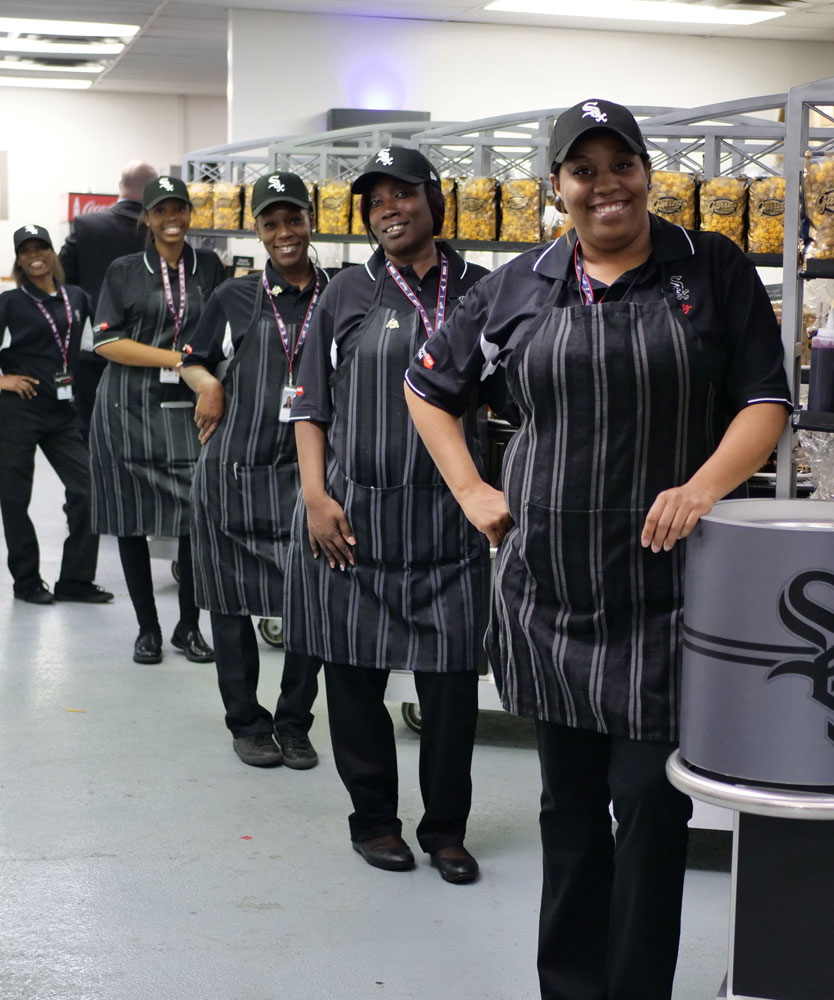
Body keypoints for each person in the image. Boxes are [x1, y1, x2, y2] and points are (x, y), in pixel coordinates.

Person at [404, 99, 791, 997]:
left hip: (669, 597)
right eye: (585, 170)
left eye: (623, 164)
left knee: (653, 810)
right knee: (568, 812)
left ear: (649, 173)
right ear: (558, 188)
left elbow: (764, 401)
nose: (605, 184)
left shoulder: (710, 269)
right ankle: (570, 986)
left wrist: (701, 487)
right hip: (549, 592)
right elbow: (429, 389)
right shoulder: (517, 285)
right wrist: (472, 490)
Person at [284, 147, 492, 884]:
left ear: (434, 200)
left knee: (451, 692)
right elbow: (308, 404)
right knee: (353, 683)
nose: (389, 209)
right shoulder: (345, 292)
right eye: (376, 201)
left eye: (403, 194)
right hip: (354, 525)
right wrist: (315, 495)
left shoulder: (483, 289)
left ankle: (446, 831)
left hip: (450, 526)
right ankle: (373, 822)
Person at [180, 171, 325, 770]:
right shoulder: (233, 297)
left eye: (293, 219)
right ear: (258, 230)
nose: (284, 232)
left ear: (310, 220)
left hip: (310, 471)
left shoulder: (342, 293)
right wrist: (208, 380)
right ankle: (246, 721)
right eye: (271, 223)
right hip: (234, 469)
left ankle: (294, 721)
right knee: (232, 603)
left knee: (311, 601)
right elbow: (190, 358)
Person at [91, 176, 225, 665]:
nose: (172, 217)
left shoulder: (208, 265)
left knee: (195, 517)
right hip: (126, 406)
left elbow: (222, 328)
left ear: (190, 214)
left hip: (188, 408)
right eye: (161, 210)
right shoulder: (124, 270)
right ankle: (147, 628)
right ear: (146, 218)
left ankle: (188, 626)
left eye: (180, 208)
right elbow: (106, 342)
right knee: (131, 519)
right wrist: (176, 359)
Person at [0, 225, 113, 606]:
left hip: (63, 412)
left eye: (41, 247)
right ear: (18, 259)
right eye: (26, 249)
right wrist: (5, 381)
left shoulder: (77, 297)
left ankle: (76, 580)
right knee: (15, 499)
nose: (35, 255)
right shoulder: (9, 303)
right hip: (18, 413)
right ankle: (27, 580)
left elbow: (102, 341)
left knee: (88, 491)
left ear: (52, 253)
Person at [59, 160, 159, 440]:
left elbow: (60, 278)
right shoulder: (160, 231)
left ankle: (91, 482)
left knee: (91, 426)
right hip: (150, 346)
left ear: (120, 186)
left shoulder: (86, 224)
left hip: (95, 343)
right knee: (140, 428)